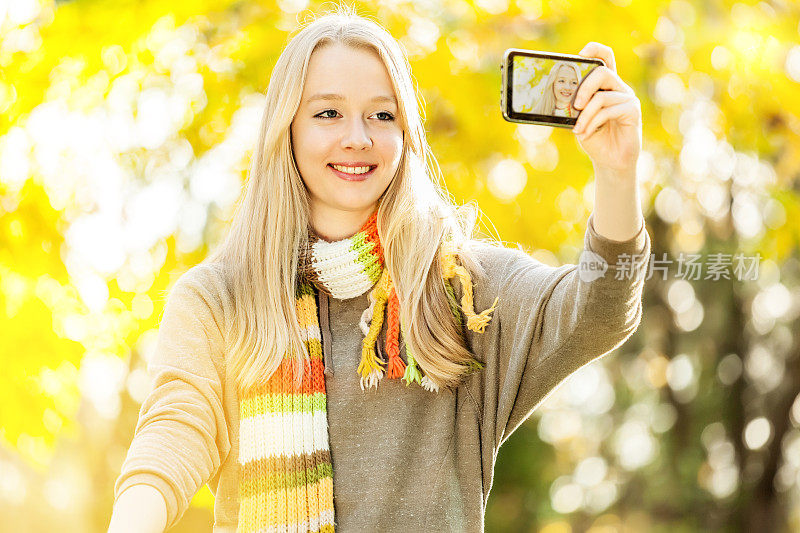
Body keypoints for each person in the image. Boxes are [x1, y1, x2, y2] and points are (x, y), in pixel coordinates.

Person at [108, 5, 649, 533]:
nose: (358, 137)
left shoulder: (462, 287)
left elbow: (599, 310)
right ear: (286, 130)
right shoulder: (219, 298)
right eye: (327, 113)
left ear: (406, 135)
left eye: (382, 115)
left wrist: (617, 174)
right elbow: (174, 432)